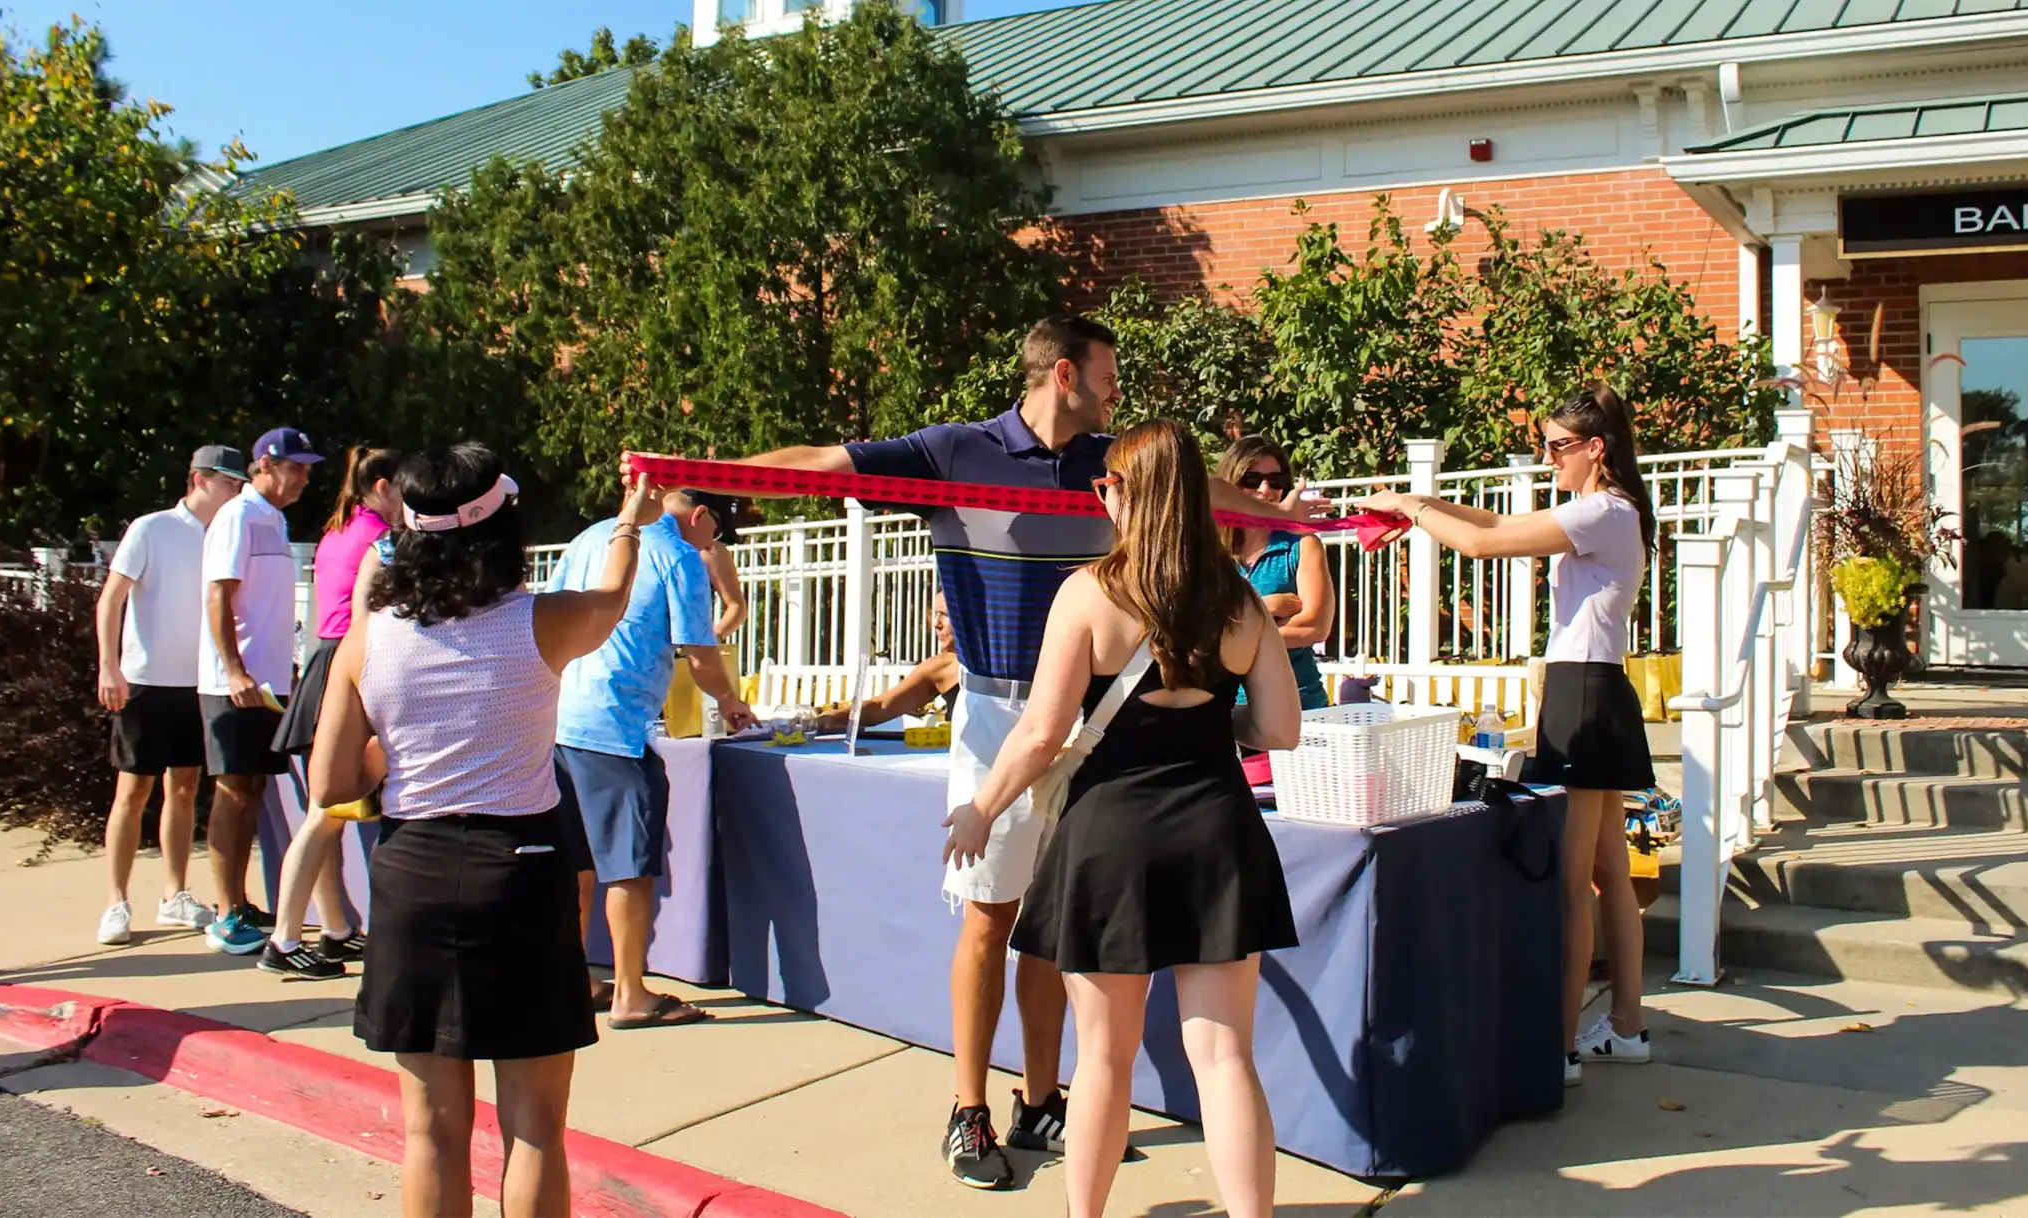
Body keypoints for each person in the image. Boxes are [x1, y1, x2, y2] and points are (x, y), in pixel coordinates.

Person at [733, 314, 1322, 1189]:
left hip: (1094, 726)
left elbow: (1203, 499)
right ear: (1062, 376)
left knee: (1067, 956)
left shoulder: (1113, 472)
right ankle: (971, 1107)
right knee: (991, 917)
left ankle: (1046, 1098)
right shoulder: (954, 452)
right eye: (1108, 376)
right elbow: (827, 465)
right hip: (1009, 715)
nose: (1119, 392)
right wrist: (702, 482)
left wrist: (1301, 518)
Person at [948, 419, 1302, 1218]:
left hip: (1110, 837)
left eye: (1105, 486)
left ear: (1120, 494)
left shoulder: (1090, 592)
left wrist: (981, 808)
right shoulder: (1240, 601)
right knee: (1224, 1056)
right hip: (1218, 826)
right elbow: (1280, 729)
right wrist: (1210, 728)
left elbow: (1041, 732)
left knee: (1104, 1059)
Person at [309, 444, 663, 1218]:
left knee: (430, 1132)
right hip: (521, 870)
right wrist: (631, 522)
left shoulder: (370, 637)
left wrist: (404, 745)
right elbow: (611, 596)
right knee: (535, 1128)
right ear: (502, 528)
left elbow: (332, 783)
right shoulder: (543, 621)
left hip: (413, 873)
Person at [1361, 382, 1659, 1087]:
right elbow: (1491, 521)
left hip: (1582, 693)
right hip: (1595, 688)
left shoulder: (1601, 511)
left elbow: (1482, 543)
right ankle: (1626, 1026)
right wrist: (1422, 503)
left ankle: (1556, 1050)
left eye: (1558, 446)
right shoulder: (1608, 511)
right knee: (1610, 872)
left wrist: (1410, 505)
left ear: (1596, 448)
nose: (1548, 457)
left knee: (1570, 884)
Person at [549, 486, 756, 1030]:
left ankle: (573, 979)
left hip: (559, 716)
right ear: (700, 516)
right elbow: (701, 656)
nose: (713, 546)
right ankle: (631, 994)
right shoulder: (679, 556)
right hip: (614, 726)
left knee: (575, 863)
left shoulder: (592, 537)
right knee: (628, 866)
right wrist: (731, 702)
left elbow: (548, 613)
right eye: (716, 533)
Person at [92, 444, 247, 945]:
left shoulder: (226, 534)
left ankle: (175, 894)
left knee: (183, 788)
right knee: (133, 791)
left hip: (198, 682)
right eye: (229, 482)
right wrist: (109, 667)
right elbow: (111, 599)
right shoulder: (151, 528)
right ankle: (116, 900)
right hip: (145, 680)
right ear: (199, 479)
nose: (236, 491)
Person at [261, 446, 403, 979]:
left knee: (327, 814)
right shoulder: (376, 539)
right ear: (383, 485)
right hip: (348, 668)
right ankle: (284, 938)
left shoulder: (340, 528)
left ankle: (334, 927)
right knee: (326, 813)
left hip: (330, 662)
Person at [198, 427, 321, 956]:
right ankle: (225, 913)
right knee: (232, 790)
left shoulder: (274, 519)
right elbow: (217, 597)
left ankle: (239, 903)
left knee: (250, 791)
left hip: (267, 682)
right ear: (264, 465)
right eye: (294, 467)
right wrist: (234, 670)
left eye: (307, 469)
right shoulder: (238, 516)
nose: (303, 478)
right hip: (234, 685)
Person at [1216, 436, 1332, 711]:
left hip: (1296, 703)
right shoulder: (1207, 549)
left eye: (1275, 480)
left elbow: (1314, 627)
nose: (1266, 490)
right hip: (1221, 707)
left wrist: (1229, 631)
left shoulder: (1302, 544)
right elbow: (1192, 621)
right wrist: (1269, 606)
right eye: (1252, 480)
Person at [815, 590, 959, 734]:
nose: (936, 624)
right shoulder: (940, 667)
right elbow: (881, 706)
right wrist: (832, 717)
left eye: (945, 614)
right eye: (935, 614)